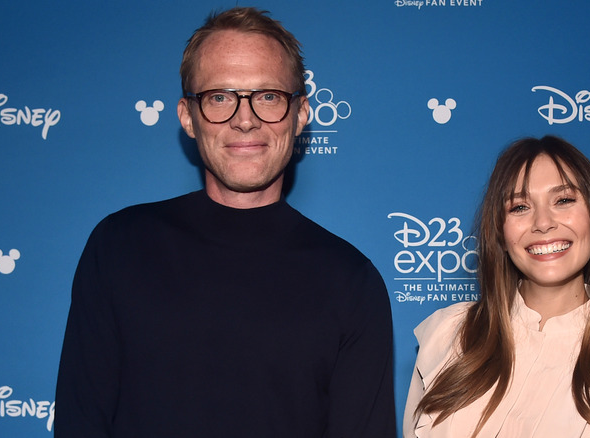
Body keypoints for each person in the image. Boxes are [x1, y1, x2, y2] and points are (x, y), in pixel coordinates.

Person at [55, 7, 395, 437]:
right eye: (220, 97)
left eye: (268, 96)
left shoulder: (352, 281)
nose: (245, 117)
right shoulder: (119, 246)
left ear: (301, 113)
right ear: (187, 117)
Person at [403, 136, 590, 437]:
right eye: (519, 207)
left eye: (564, 200)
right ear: (500, 235)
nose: (542, 223)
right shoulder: (448, 336)